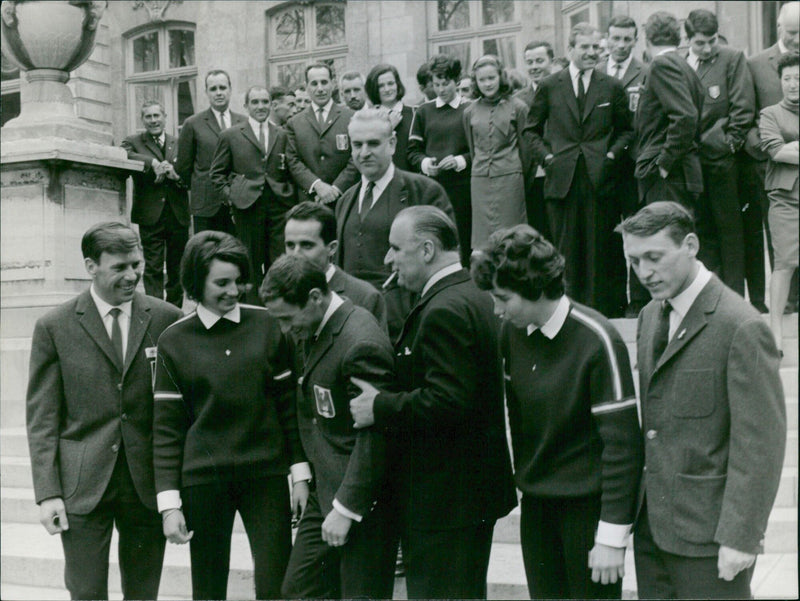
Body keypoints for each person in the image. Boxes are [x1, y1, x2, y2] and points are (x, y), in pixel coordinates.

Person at [617, 201, 786, 599]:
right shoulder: (647, 318)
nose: (644, 273)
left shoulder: (740, 325)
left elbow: (760, 444)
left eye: (654, 257)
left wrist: (741, 538)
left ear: (690, 245)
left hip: (711, 540)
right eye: (634, 261)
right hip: (653, 533)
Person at [348, 206, 517, 599]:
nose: (388, 259)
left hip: (445, 499)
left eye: (394, 249)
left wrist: (380, 406)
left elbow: (449, 400)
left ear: (426, 250)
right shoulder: (472, 293)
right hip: (465, 493)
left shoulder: (444, 308)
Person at [472, 223, 643, 599]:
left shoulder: (598, 340)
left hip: (588, 512)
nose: (497, 310)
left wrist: (612, 536)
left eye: (504, 298)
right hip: (537, 510)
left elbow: (623, 446)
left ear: (535, 288)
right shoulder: (512, 334)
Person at [26, 222, 183, 600]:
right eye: (119, 267)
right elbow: (42, 418)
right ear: (90, 266)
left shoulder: (167, 319)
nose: (132, 276)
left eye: (137, 264)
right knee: (86, 591)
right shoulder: (54, 326)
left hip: (145, 481)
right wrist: (48, 493)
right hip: (83, 483)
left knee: (143, 592)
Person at [153, 231, 309, 600]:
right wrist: (169, 506)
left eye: (239, 281)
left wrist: (300, 474)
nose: (234, 291)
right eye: (221, 283)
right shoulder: (172, 341)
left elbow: (289, 407)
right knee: (208, 589)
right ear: (195, 282)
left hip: (266, 476)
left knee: (276, 585)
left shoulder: (269, 324)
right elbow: (167, 429)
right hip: (204, 482)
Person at [259, 255, 397, 599]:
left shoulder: (360, 341)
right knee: (298, 590)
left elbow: (375, 435)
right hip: (325, 490)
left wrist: (347, 508)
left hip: (362, 500)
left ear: (316, 297)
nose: (285, 330)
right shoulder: (315, 326)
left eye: (288, 318)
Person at [524, 22, 633, 317]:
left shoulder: (611, 85)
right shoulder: (550, 86)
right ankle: (568, 313)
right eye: (584, 47)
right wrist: (547, 158)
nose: (591, 52)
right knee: (566, 250)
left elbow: (626, 131)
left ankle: (603, 313)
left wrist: (611, 154)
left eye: (595, 47)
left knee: (601, 249)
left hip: (601, 178)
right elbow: (530, 131)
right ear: (570, 49)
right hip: (562, 179)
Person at [335, 107, 452, 338]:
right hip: (352, 326)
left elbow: (445, 265)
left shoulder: (424, 192)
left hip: (406, 326)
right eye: (357, 145)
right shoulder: (345, 200)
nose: (364, 152)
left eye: (373, 144)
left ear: (392, 144)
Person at [682, 9, 755, 297]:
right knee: (699, 229)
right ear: (688, 39)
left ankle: (734, 297)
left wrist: (728, 144)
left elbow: (742, 106)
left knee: (730, 231)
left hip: (721, 160)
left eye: (712, 40)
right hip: (688, 161)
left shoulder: (731, 58)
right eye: (700, 43)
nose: (708, 48)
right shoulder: (678, 61)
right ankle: (706, 295)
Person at [208, 85, 295, 299]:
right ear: (246, 106)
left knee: (280, 259)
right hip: (247, 206)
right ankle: (254, 310)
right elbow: (216, 174)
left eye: (265, 102)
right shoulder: (231, 135)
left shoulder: (282, 134)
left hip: (278, 205)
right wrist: (232, 196)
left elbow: (291, 167)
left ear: (271, 105)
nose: (260, 107)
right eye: (255, 102)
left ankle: (278, 305)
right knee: (251, 262)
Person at [746, 1, 800, 313]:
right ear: (779, 28)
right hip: (774, 170)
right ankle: (787, 306)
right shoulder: (755, 64)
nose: (797, 39)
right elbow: (746, 116)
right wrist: (767, 151)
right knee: (782, 245)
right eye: (792, 32)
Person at [596, 15, 648, 316]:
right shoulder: (597, 70)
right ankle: (613, 300)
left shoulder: (646, 71)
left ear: (635, 40)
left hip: (632, 165)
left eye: (627, 39)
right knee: (606, 233)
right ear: (607, 38)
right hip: (603, 164)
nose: (621, 45)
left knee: (636, 230)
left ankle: (639, 300)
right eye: (615, 38)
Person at [121, 100, 189, 306]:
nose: (153, 121)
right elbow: (123, 154)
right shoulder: (134, 142)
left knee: (177, 266)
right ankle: (154, 310)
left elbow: (190, 175)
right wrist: (153, 163)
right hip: (150, 214)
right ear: (142, 120)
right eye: (148, 117)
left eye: (156, 116)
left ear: (165, 118)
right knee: (153, 266)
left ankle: (174, 310)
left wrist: (175, 175)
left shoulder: (179, 143)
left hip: (177, 213)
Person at [634, 12, 704, 209]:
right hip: (681, 172)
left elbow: (686, 116)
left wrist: (664, 163)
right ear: (679, 37)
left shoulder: (660, 64)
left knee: (666, 235)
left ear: (647, 39)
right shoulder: (685, 66)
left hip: (669, 175)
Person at [408, 54, 473, 265]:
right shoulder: (424, 112)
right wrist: (426, 164)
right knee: (435, 238)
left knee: (463, 236)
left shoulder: (469, 109)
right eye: (436, 84)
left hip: (464, 189)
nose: (441, 89)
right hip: (433, 187)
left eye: (446, 84)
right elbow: (413, 151)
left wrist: (460, 161)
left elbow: (480, 150)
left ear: (457, 81)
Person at [283, 200, 387, 330]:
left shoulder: (365, 298)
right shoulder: (279, 291)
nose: (296, 254)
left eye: (307, 245)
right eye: (290, 245)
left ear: (332, 248)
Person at [463, 54, 529, 250]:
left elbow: (526, 152)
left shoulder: (518, 107)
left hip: (510, 179)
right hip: (480, 180)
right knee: (483, 239)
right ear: (476, 82)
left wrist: (515, 171)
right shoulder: (469, 112)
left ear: (501, 77)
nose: (487, 83)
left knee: (513, 236)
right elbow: (472, 146)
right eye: (482, 80)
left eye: (491, 78)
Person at [760, 52, 799, 354]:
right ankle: (775, 334)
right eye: (787, 79)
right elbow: (777, 152)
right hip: (786, 200)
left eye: (798, 78)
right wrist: (787, 148)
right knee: (784, 263)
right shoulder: (770, 114)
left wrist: (793, 146)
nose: (793, 85)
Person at [176, 69, 246, 236]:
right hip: (206, 204)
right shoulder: (193, 123)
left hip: (239, 201)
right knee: (206, 253)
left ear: (230, 89)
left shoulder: (243, 122)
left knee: (236, 251)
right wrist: (202, 186)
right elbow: (183, 167)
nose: (219, 93)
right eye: (213, 89)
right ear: (206, 92)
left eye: (222, 88)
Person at [286, 63, 360, 205]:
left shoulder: (351, 117)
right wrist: (317, 186)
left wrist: (336, 188)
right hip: (310, 199)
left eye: (324, 82)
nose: (320, 89)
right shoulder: (294, 123)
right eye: (314, 83)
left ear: (333, 84)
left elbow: (356, 155)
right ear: (306, 86)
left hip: (345, 198)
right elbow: (293, 161)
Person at [515, 40, 554, 239]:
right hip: (531, 177)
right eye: (529, 62)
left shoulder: (562, 90)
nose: (534, 67)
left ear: (551, 61)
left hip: (559, 171)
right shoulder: (519, 99)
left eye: (540, 61)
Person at [365, 63, 414, 171]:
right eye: (381, 86)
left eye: (390, 83)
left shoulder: (415, 113)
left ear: (397, 85)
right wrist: (389, 127)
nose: (387, 89)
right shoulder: (368, 118)